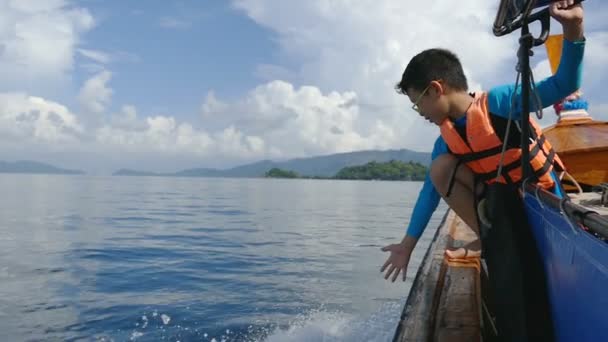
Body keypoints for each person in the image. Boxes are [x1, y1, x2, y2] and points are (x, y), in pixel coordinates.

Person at [380, 0, 584, 283]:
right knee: (439, 168)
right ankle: (491, 241)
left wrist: (573, 27)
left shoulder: (500, 102)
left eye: (418, 104)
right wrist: (406, 246)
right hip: (505, 208)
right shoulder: (446, 140)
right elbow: (430, 193)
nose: (421, 113)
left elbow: (564, 84)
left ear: (436, 90)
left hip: (545, 203)